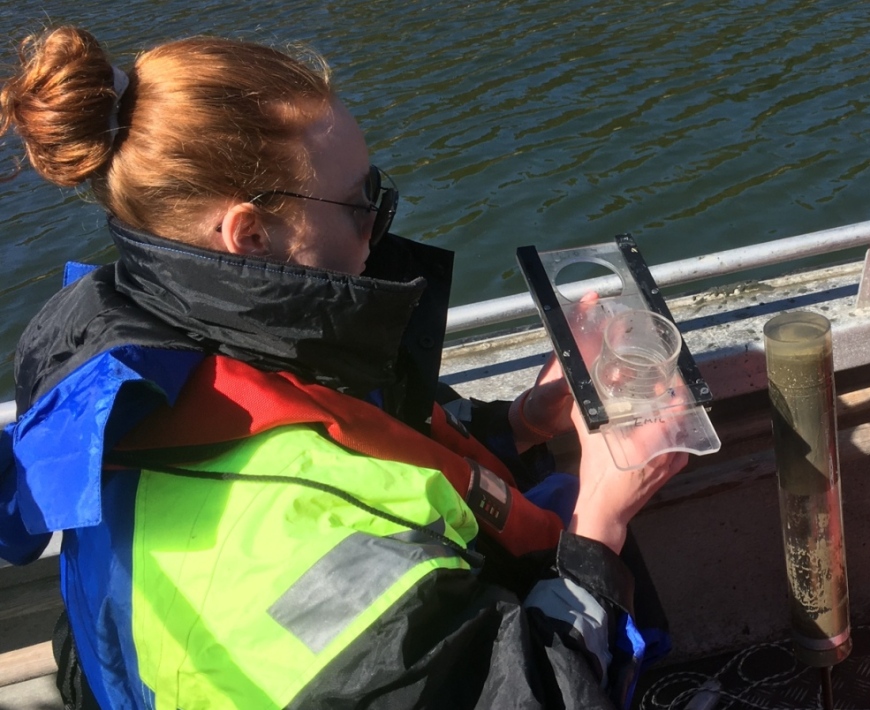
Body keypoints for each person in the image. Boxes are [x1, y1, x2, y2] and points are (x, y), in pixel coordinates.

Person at [0, 27, 685, 709]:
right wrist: (601, 522)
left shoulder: (167, 353)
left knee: (560, 490)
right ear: (250, 236)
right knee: (578, 504)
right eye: (365, 203)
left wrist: (518, 423)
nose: (383, 219)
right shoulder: (280, 538)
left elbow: (362, 435)